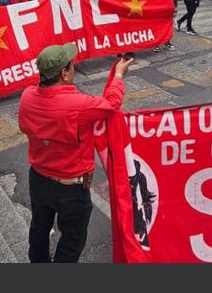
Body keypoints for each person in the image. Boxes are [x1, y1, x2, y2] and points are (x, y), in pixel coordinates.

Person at [17, 44, 132, 263]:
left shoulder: (27, 96)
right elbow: (112, 103)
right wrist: (118, 75)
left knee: (39, 229)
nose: (74, 68)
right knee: (72, 241)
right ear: (64, 73)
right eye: (72, 66)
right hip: (71, 188)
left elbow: (25, 127)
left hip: (39, 178)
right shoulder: (79, 105)